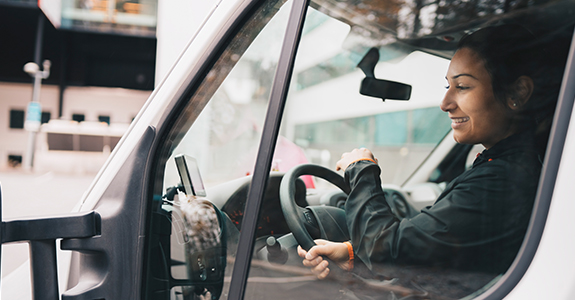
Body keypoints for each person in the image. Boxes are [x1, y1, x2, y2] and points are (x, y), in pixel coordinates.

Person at [298, 24, 570, 280]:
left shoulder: (503, 180)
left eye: (462, 86)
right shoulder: (512, 165)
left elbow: (385, 247)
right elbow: (448, 256)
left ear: (518, 93)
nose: (445, 103)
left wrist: (360, 169)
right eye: (447, 86)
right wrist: (353, 254)